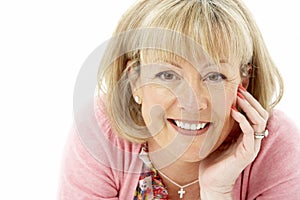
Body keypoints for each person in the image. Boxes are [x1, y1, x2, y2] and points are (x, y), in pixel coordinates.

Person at [58, 0, 300, 199]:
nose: (193, 102)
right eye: (168, 75)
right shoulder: (101, 129)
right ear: (135, 81)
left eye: (214, 76)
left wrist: (218, 191)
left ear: (243, 83)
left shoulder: (276, 144)